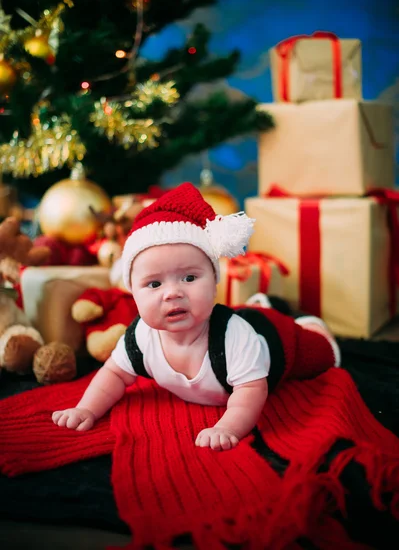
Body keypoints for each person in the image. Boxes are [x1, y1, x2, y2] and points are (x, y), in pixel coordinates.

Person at [52, 183, 340, 451]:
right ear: (132, 293)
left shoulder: (235, 337)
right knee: (249, 314)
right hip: (239, 322)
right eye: (154, 284)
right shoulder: (140, 337)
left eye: (189, 277)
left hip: (275, 337)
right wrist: (86, 408)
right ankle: (260, 302)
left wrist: (228, 426)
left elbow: (252, 389)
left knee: (320, 352)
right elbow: (113, 374)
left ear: (214, 280)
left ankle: (303, 321)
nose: (172, 293)